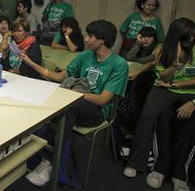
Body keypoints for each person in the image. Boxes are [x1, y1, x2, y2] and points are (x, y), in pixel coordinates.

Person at [22, 20, 128, 186]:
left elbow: (103, 99)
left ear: (103, 40)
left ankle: (50, 161)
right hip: (76, 103)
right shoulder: (85, 56)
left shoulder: (119, 64)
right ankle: (43, 154)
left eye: (90, 36)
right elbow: (59, 77)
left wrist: (72, 95)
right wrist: (31, 64)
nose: (86, 39)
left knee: (69, 106)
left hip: (98, 113)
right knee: (58, 101)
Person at [123, 18, 195, 191]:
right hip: (164, 88)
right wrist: (176, 62)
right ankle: (135, 162)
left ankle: (180, 173)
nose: (192, 39)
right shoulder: (163, 50)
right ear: (179, 37)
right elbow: (165, 77)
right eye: (189, 36)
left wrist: (184, 93)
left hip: (189, 91)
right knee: (147, 117)